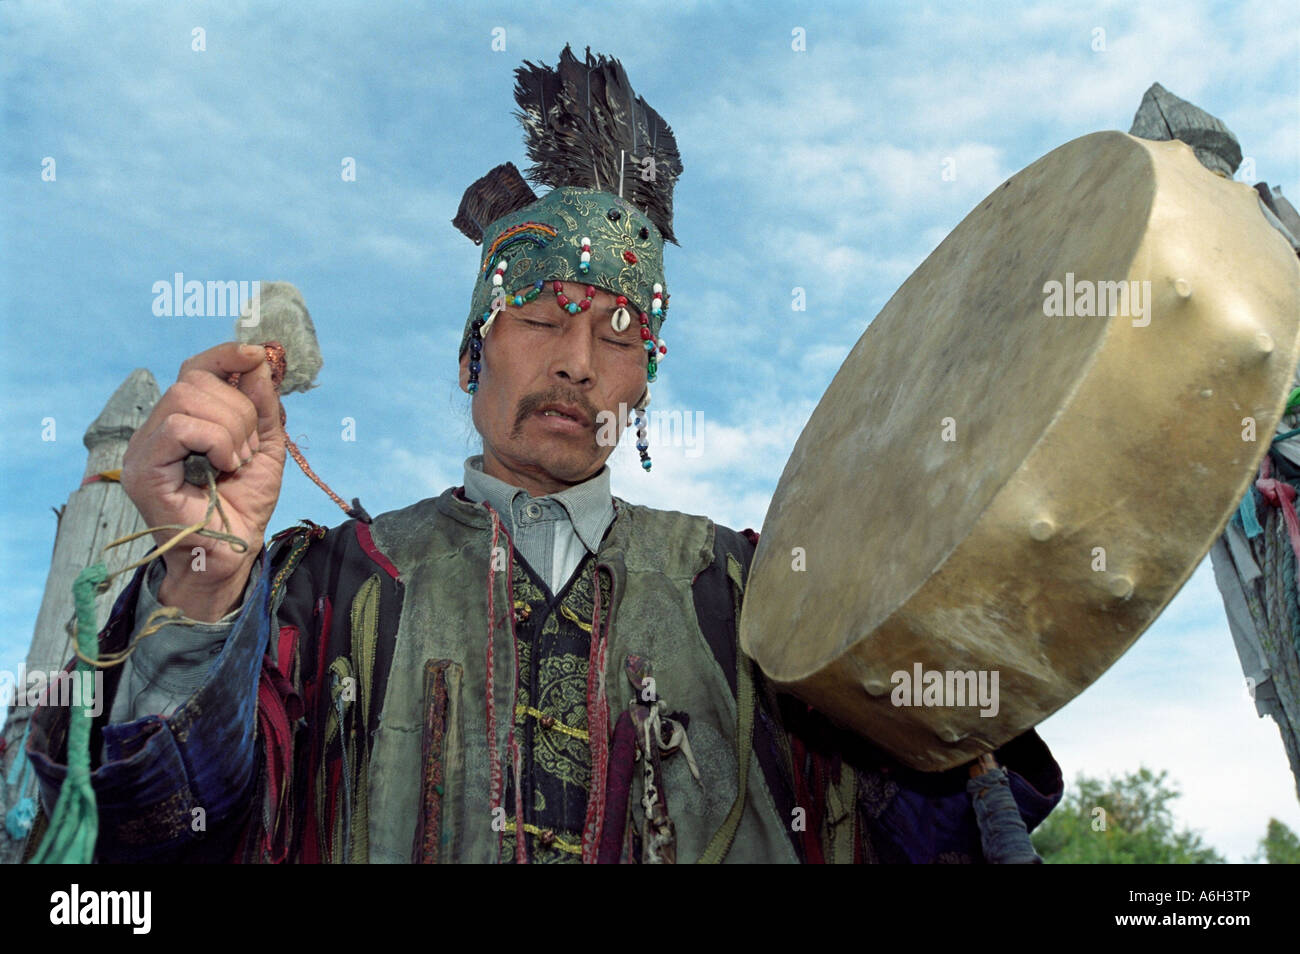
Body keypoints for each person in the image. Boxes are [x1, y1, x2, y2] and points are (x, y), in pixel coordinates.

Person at [24, 45, 1062, 864]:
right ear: (475, 349)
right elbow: (152, 838)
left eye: (619, 335)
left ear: (644, 382)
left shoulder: (759, 596)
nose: (577, 363)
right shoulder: (317, 591)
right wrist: (204, 580)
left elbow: (938, 831)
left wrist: (939, 621)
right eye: (543, 315)